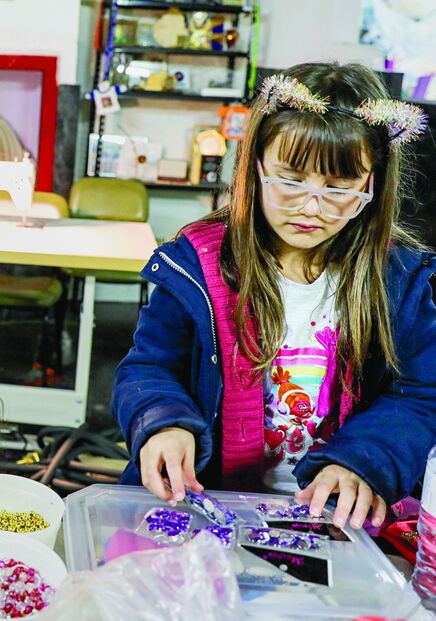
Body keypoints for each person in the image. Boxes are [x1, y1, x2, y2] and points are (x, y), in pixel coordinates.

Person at [112, 62, 436, 532]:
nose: (311, 207)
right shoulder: (198, 267)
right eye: (290, 179)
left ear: (372, 184)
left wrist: (366, 460)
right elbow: (149, 367)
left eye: (339, 188)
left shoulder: (398, 281)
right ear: (256, 165)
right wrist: (164, 423)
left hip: (331, 519)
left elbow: (420, 395)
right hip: (203, 505)